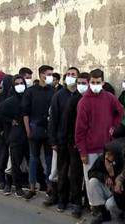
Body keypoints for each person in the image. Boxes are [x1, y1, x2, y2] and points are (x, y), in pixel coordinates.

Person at [75, 68, 124, 213]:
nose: (95, 85)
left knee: (108, 176)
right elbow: (79, 130)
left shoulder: (109, 97)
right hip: (90, 149)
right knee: (91, 178)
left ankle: (108, 204)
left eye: (98, 82)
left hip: (106, 147)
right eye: (92, 82)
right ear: (89, 82)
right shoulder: (84, 102)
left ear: (103, 82)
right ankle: (94, 206)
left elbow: (120, 111)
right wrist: (82, 151)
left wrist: (114, 126)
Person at [47, 67, 80, 210]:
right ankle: (62, 199)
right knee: (62, 171)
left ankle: (77, 201)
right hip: (61, 140)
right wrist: (53, 140)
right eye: (68, 74)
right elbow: (53, 119)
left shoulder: (81, 96)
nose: (71, 76)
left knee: (76, 174)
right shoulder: (58, 96)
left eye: (73, 74)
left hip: (77, 142)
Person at [22, 65, 55, 200]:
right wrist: (28, 130)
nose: (51, 77)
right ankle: (32, 187)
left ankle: (49, 186)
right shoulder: (30, 92)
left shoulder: (53, 91)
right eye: (49, 74)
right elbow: (25, 113)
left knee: (48, 159)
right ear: (41, 74)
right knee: (33, 159)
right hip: (34, 129)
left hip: (48, 130)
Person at [0, 75, 29, 196]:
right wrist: (10, 120)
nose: (20, 86)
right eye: (17, 84)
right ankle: (16, 187)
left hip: (28, 135)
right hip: (16, 136)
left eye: (21, 83)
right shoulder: (10, 100)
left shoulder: (28, 97)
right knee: (15, 163)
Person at [64, 72, 89, 218]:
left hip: (91, 144)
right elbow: (68, 123)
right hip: (75, 144)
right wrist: (72, 142)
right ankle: (77, 203)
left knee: (90, 175)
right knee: (76, 174)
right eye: (78, 83)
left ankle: (89, 202)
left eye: (83, 83)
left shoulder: (93, 100)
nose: (80, 86)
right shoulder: (73, 101)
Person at [87, 141, 124, 224]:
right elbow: (91, 173)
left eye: (110, 155)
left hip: (117, 194)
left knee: (110, 204)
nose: (107, 156)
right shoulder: (101, 159)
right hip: (107, 189)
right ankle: (102, 213)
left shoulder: (121, 163)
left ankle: (122, 213)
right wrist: (104, 176)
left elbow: (122, 185)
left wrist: (111, 173)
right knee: (93, 182)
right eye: (106, 154)